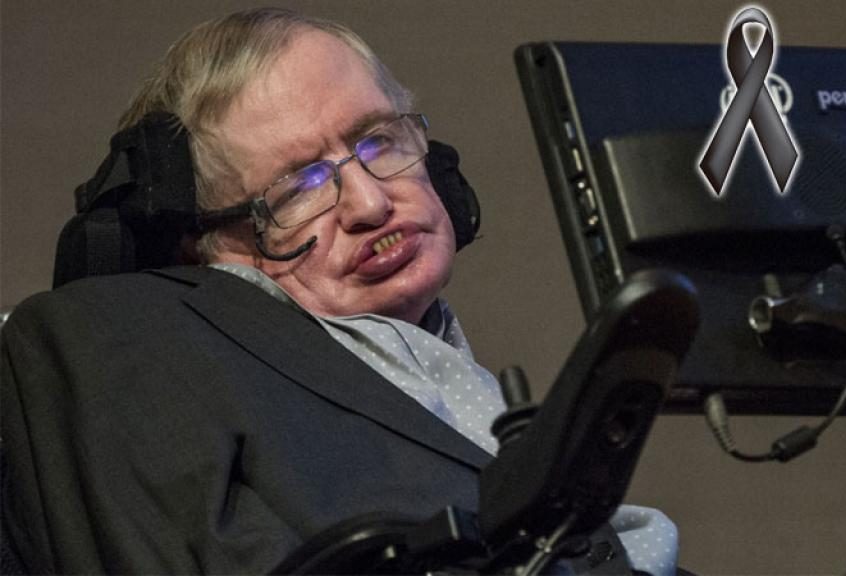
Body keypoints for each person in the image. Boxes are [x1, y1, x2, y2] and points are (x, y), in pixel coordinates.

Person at [1, 8, 678, 574]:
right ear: (199, 246)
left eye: (378, 142)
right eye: (298, 188)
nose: (370, 203)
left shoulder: (441, 376)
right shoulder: (116, 342)